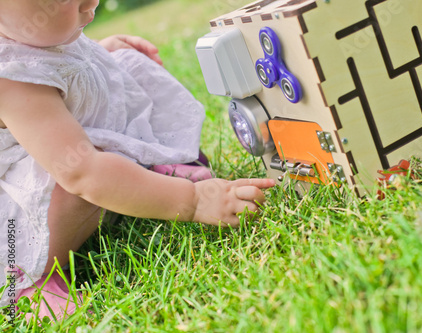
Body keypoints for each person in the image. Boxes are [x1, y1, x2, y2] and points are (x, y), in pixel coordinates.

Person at [0, 0, 275, 321]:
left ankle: (143, 169)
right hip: (20, 214)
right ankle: (25, 282)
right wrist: (194, 202)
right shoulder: (11, 80)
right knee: (79, 169)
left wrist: (103, 53)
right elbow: (82, 172)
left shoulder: (32, 35)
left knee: (121, 74)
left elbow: (60, 72)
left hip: (86, 158)